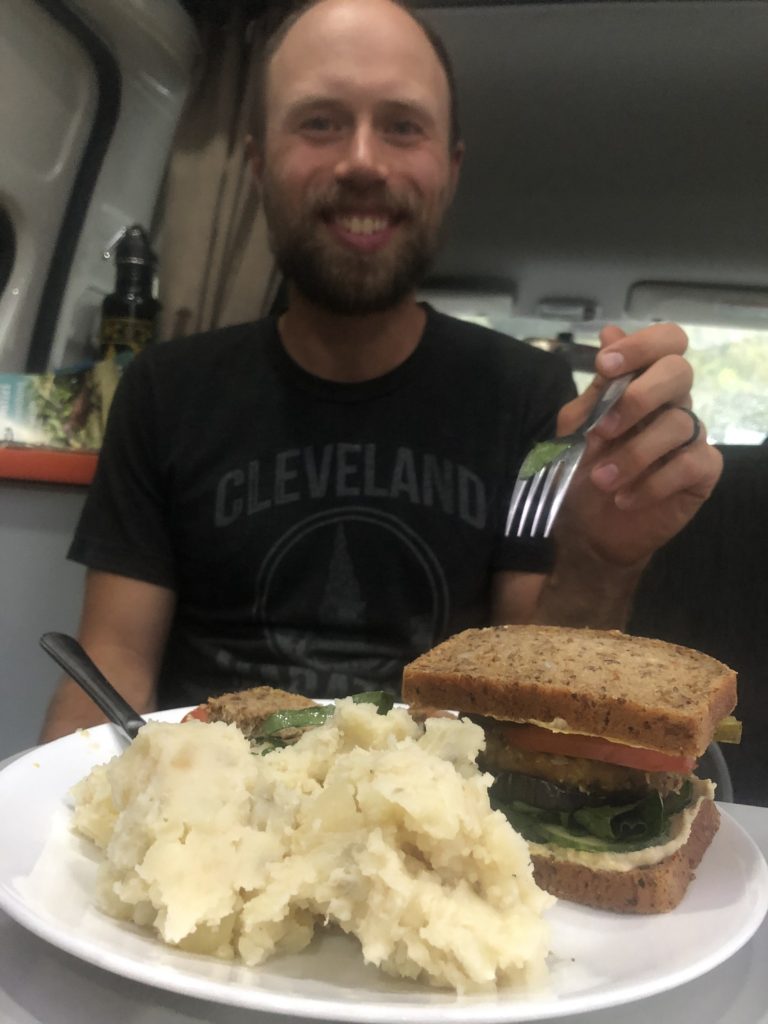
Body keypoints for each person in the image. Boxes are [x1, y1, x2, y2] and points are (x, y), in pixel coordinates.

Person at [39, 0, 722, 742]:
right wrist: (43, 834)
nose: (362, 161)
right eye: (320, 122)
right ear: (260, 163)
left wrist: (601, 555)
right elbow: (112, 663)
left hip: (432, 819)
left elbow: (537, 686)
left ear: (449, 169)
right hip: (207, 818)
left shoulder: (528, 396)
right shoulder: (163, 391)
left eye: (402, 125)